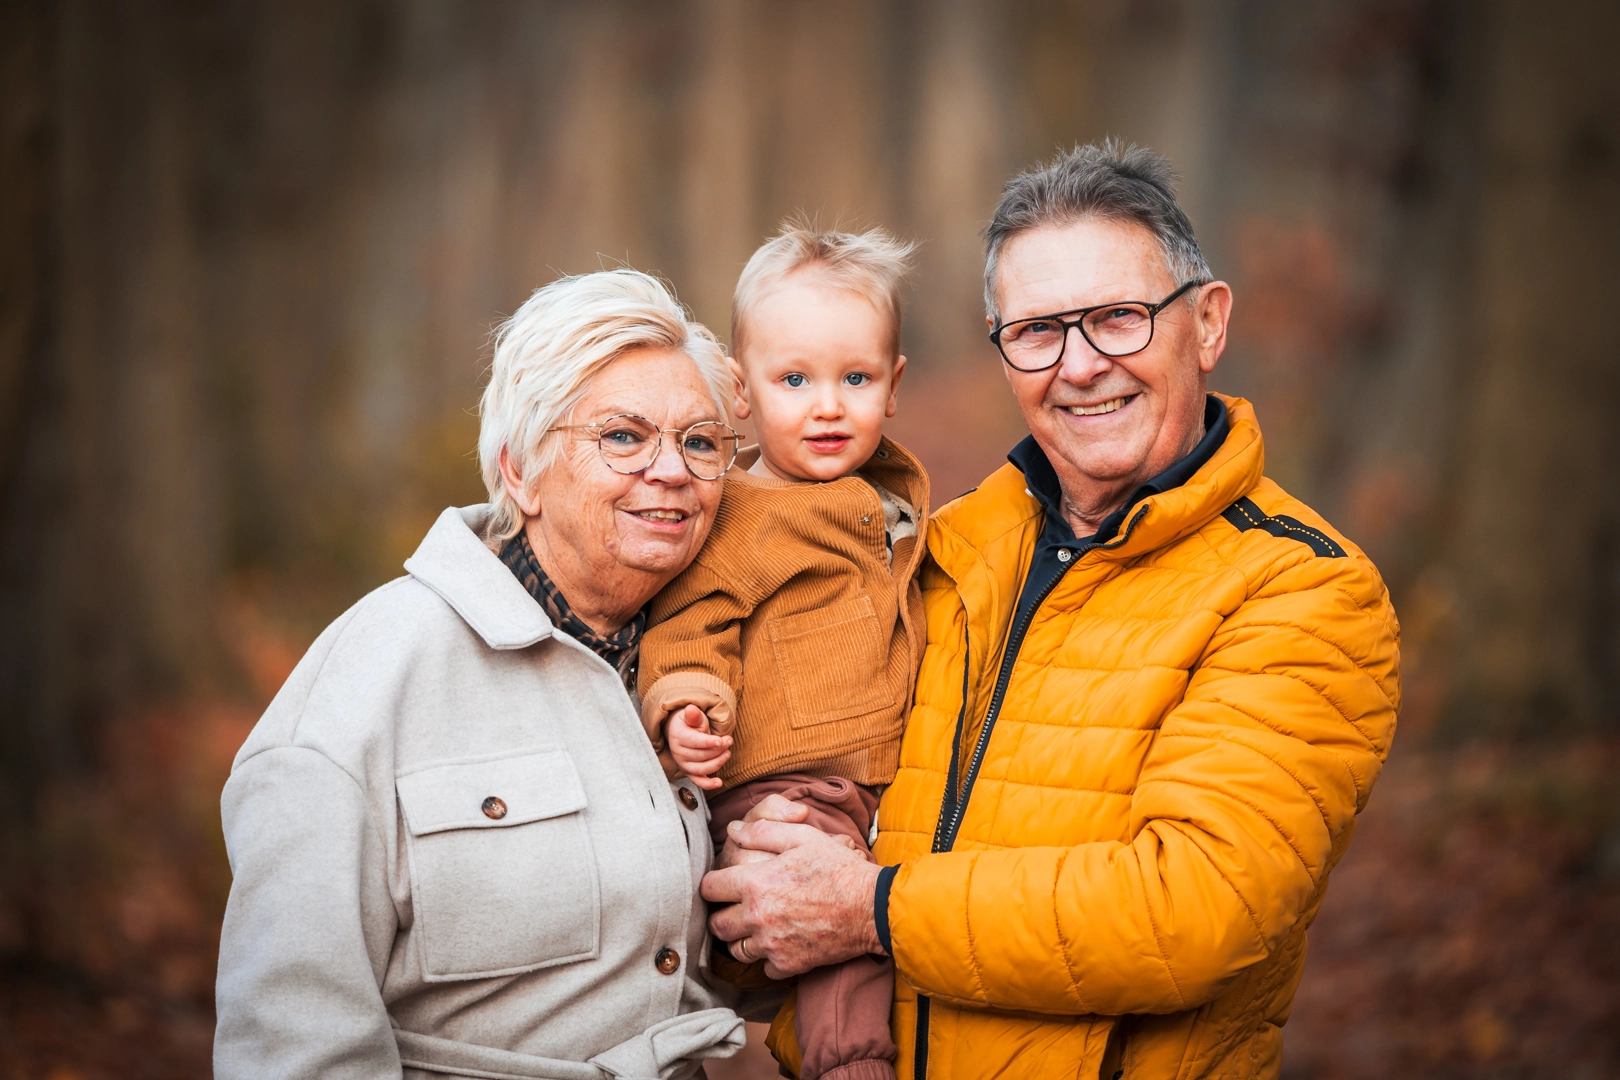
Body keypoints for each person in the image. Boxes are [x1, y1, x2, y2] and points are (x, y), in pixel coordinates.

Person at [702, 141, 1402, 1080]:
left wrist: (864, 906)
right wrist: (764, 862)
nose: (1079, 366)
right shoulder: (939, 553)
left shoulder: (1302, 589)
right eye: (1036, 331)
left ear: (1207, 323)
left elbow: (1193, 911)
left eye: (1118, 318)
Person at [213, 269, 748, 1079]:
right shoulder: (370, 682)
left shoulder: (716, 658)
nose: (671, 469)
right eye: (623, 436)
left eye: (700, 441)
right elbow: (294, 1044)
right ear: (520, 471)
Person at [636, 225, 928, 1080]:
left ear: (895, 383)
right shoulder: (745, 515)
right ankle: (850, 1067)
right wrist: (690, 706)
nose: (827, 405)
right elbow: (689, 626)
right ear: (739, 386)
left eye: (856, 378)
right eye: (794, 379)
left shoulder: (892, 502)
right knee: (839, 925)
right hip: (790, 783)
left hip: (880, 778)